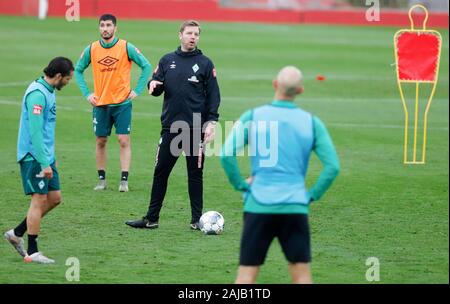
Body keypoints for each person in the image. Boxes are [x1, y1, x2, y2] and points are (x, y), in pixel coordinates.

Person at [220, 66, 340, 283]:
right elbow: (332, 167)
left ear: (275, 83)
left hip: (258, 204)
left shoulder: (253, 116)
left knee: (246, 275)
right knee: (302, 275)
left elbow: (226, 155)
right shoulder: (312, 122)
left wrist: (241, 185)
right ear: (300, 90)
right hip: (295, 205)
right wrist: (311, 195)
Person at [125, 20, 221, 230]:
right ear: (180, 35)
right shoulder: (167, 60)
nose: (193, 37)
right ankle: (151, 218)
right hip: (171, 128)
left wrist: (211, 122)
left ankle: (197, 220)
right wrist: (152, 85)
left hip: (195, 128)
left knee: (195, 175)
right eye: (189, 33)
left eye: (196, 34)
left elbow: (214, 95)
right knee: (161, 172)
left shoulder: (205, 63)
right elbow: (156, 84)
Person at [4, 57, 74, 264]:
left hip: (45, 156)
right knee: (39, 199)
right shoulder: (37, 94)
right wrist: (44, 162)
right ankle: (33, 252)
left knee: (54, 198)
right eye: (68, 79)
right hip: (33, 157)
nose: (68, 83)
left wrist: (51, 159)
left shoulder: (48, 91)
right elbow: (35, 131)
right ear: (59, 76)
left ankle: (16, 233)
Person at [75, 14, 152, 192]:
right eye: (102, 25)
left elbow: (146, 66)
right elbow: (78, 70)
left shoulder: (125, 47)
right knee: (101, 140)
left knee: (123, 140)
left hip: (122, 103)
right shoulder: (92, 49)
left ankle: (124, 181)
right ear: (99, 28)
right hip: (100, 104)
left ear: (115, 28)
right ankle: (101, 180)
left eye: (109, 25)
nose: (105, 29)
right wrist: (87, 94)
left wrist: (137, 90)